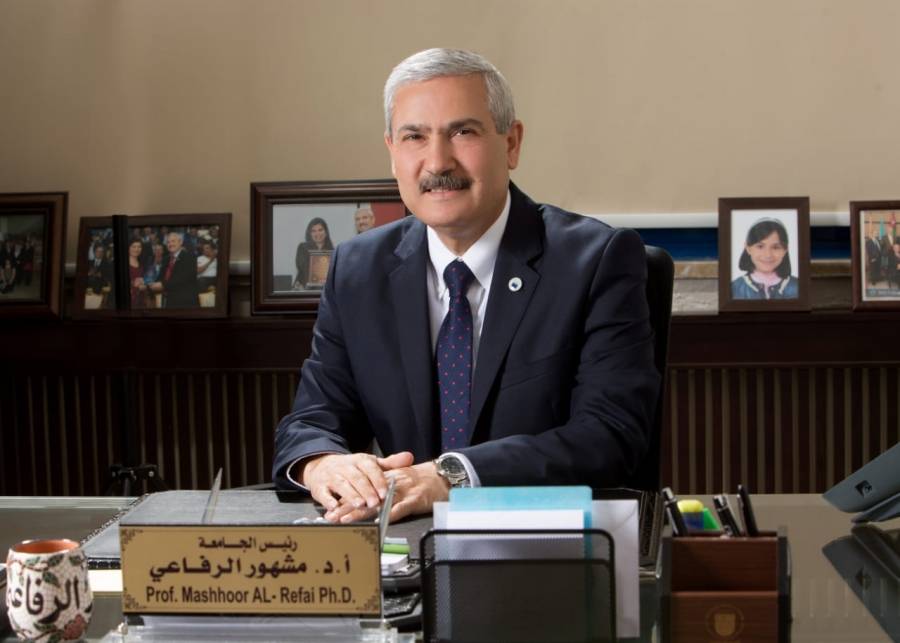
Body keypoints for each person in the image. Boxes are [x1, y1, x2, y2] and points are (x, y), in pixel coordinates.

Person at [272, 48, 658, 524]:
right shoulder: (358, 269)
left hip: (544, 539)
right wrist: (322, 464)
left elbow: (610, 434)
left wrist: (451, 478)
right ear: (392, 152)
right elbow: (312, 419)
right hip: (403, 543)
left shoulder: (595, 261)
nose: (438, 161)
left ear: (511, 144)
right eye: (414, 136)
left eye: (463, 132)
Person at [731, 218, 798, 300]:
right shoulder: (734, 288)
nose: (768, 255)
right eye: (760, 246)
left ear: (785, 250)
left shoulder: (798, 287)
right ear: (748, 248)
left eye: (776, 247)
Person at [149, 231, 199, 308]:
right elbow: (161, 277)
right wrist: (150, 284)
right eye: (168, 242)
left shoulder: (190, 257)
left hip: (185, 302)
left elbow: (182, 279)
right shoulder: (166, 259)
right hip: (168, 301)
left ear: (180, 242)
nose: (170, 244)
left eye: (173, 241)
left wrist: (163, 285)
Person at [293, 218, 333, 289]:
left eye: (320, 230)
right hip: (303, 288)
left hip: (324, 289)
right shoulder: (303, 247)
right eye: (313, 231)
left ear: (326, 232)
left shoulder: (332, 251)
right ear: (310, 233)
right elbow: (302, 268)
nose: (317, 233)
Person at [127, 239, 148, 308]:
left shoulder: (142, 263)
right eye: (134, 247)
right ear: (128, 248)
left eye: (139, 247)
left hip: (141, 298)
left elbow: (145, 279)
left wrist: (144, 282)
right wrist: (133, 283)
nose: (136, 249)